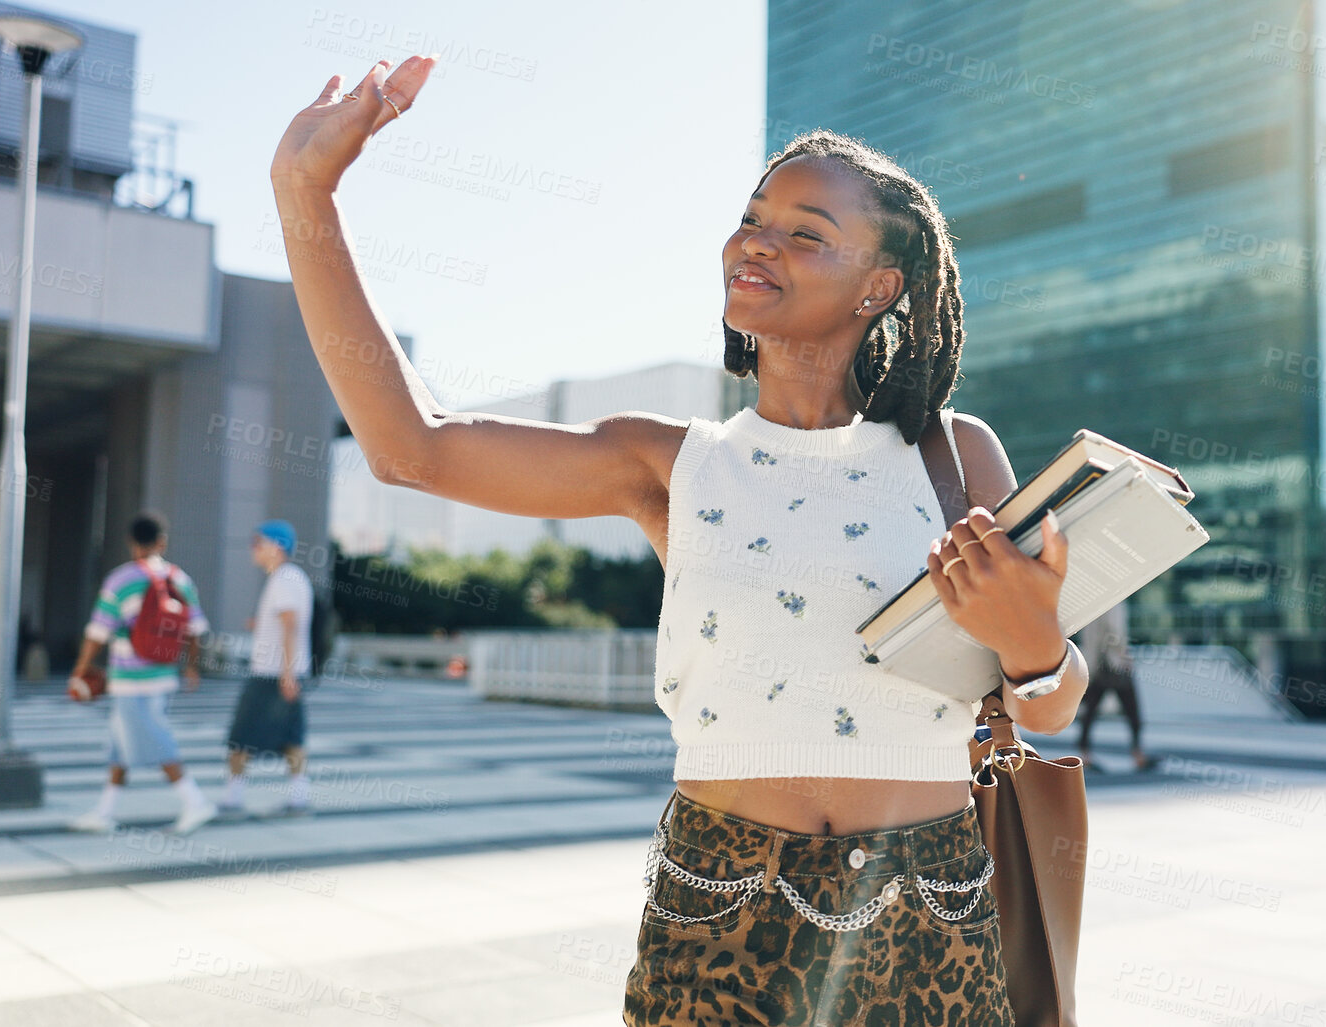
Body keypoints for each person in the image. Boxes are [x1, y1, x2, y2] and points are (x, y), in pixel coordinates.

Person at [270, 56, 1093, 1025]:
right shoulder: (670, 464)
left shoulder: (953, 457)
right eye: (752, 218)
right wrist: (305, 189)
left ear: (881, 286)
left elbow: (1048, 708)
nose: (757, 243)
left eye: (803, 233)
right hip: (715, 907)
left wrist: (1035, 641)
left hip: (928, 912)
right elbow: (413, 450)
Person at [67, 511, 216, 835]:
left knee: (155, 741)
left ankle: (195, 802)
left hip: (130, 680)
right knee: (120, 747)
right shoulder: (181, 579)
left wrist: (80, 669)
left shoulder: (120, 580)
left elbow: (97, 632)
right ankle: (105, 812)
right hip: (163, 678)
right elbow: (196, 630)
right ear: (162, 542)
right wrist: (191, 667)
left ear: (132, 542)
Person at [221, 519, 316, 817]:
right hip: (284, 672)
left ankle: (233, 796)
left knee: (240, 735)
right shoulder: (288, 577)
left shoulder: (285, 579)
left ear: (276, 547)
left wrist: (286, 674)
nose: (254, 549)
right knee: (291, 737)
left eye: (257, 542)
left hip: (272, 674)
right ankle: (299, 796)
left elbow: (291, 625)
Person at [1074, 600, 1159, 772]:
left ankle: (1084, 754)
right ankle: (1138, 755)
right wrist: (1123, 654)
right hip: (1114, 663)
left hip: (1099, 663)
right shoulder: (1113, 600)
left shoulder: (1092, 603)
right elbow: (1114, 630)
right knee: (1132, 709)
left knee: (1090, 710)